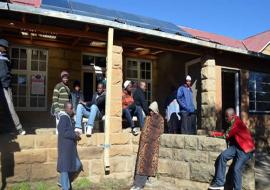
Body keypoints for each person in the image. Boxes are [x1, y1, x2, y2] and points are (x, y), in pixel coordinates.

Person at [209, 108, 255, 190]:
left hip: (245, 150)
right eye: (225, 116)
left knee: (236, 169)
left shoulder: (236, 124)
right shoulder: (234, 121)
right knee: (223, 156)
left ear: (232, 116)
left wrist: (214, 134)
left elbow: (225, 135)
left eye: (227, 116)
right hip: (237, 146)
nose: (225, 118)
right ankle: (219, 183)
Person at [131, 101, 164, 190]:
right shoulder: (148, 118)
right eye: (150, 110)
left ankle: (140, 185)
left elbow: (160, 131)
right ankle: (136, 184)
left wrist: (150, 137)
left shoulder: (160, 119)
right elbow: (144, 129)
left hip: (152, 145)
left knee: (147, 164)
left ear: (155, 110)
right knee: (141, 164)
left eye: (152, 111)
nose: (150, 112)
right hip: (144, 144)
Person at [0, 39, 26, 135]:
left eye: (6, 48)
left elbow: (8, 71)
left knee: (9, 107)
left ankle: (18, 128)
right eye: (4, 47)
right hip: (2, 85)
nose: (6, 49)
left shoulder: (6, 57)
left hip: (5, 85)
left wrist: (7, 82)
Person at [57, 102, 82, 190]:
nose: (73, 110)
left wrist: (75, 133)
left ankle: (62, 182)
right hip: (65, 148)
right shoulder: (64, 118)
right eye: (71, 108)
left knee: (77, 165)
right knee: (65, 169)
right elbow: (63, 132)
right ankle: (64, 186)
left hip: (70, 148)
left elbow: (68, 131)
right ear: (66, 109)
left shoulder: (68, 118)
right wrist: (75, 135)